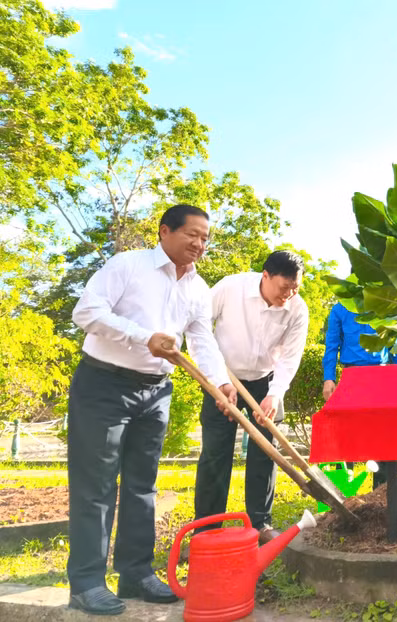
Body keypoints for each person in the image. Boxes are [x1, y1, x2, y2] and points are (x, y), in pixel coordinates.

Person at [67, 204, 236, 616]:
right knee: (96, 487)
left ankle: (136, 573)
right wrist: (145, 338)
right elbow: (86, 313)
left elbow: (202, 340)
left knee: (143, 486)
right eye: (192, 234)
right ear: (165, 231)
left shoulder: (198, 288)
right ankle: (87, 582)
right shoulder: (128, 265)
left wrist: (222, 383)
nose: (199, 244)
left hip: (156, 391)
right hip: (103, 384)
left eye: (205, 238)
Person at [192, 250, 309, 544]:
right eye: (284, 287)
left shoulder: (297, 308)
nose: (289, 294)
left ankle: (261, 524)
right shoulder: (231, 287)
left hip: (266, 382)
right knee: (215, 454)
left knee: (264, 454)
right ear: (265, 276)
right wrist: (217, 379)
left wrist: (275, 394)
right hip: (223, 378)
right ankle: (206, 530)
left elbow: (290, 357)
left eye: (295, 288)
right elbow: (198, 326)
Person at [322, 301, 397, 487]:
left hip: (381, 375)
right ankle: (343, 488)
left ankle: (382, 492)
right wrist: (329, 378)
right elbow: (332, 344)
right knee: (345, 435)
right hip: (352, 375)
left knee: (384, 437)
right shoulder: (340, 309)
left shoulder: (385, 305)